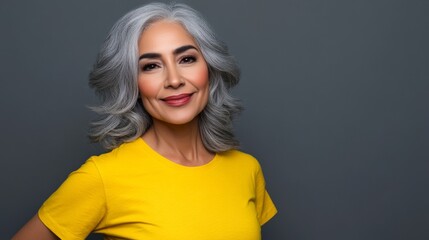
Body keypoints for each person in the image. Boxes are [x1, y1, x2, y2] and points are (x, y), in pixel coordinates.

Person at [13, 2, 277, 239]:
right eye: (151, 66)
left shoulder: (246, 169)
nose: (174, 80)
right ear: (133, 83)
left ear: (209, 67)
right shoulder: (103, 177)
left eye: (186, 59)